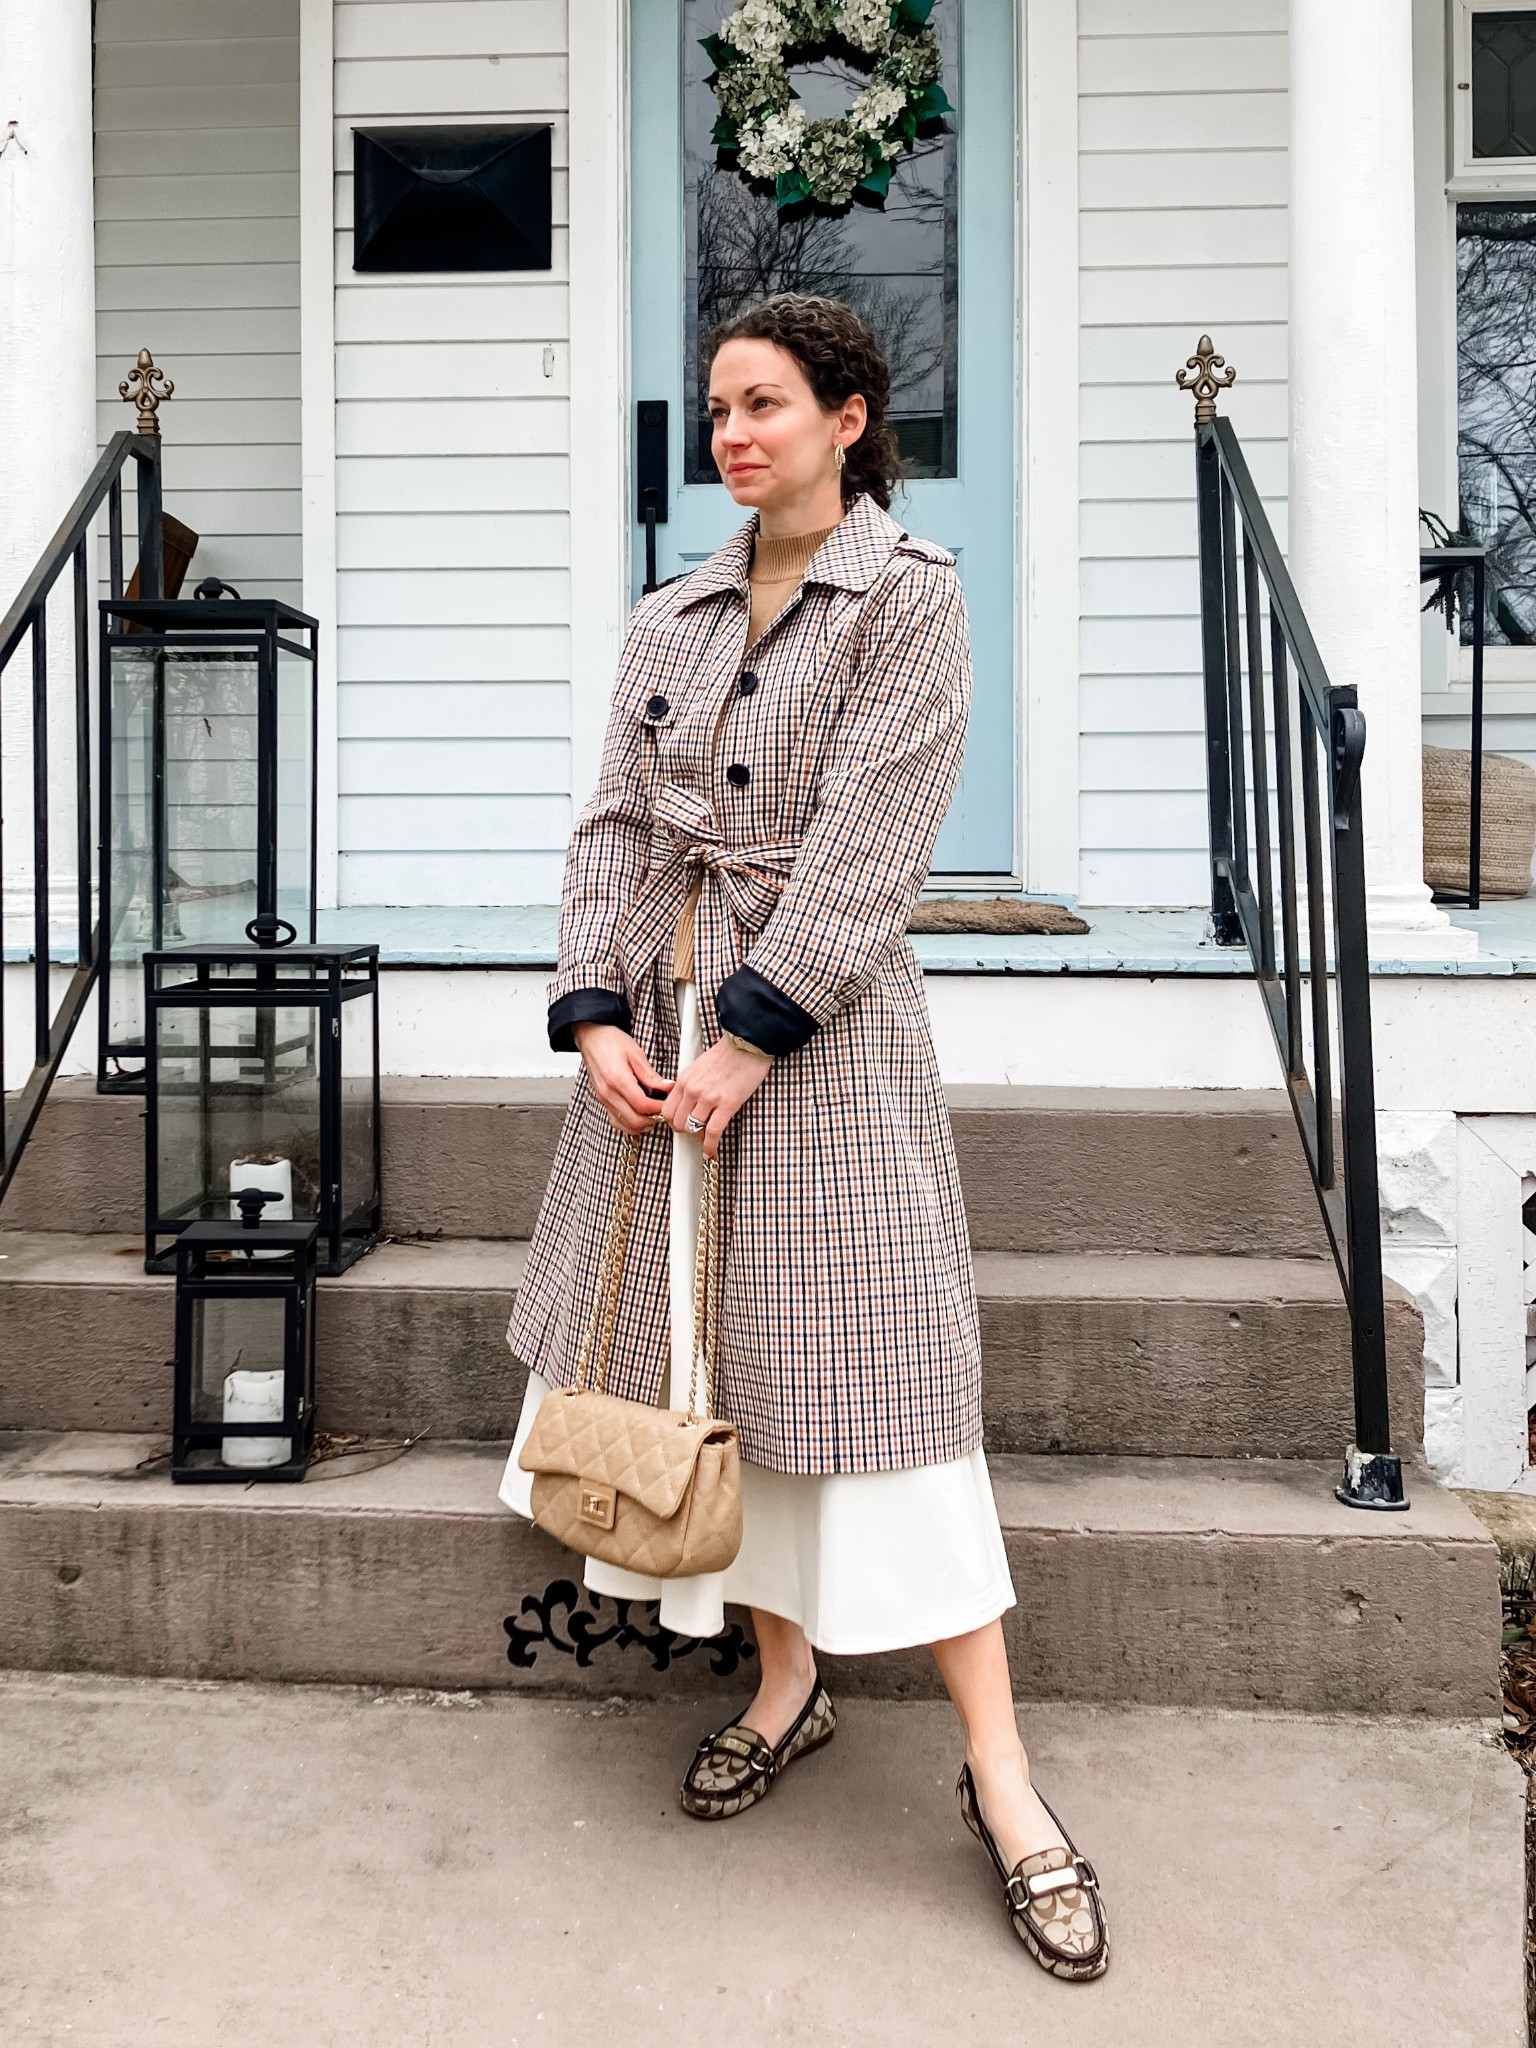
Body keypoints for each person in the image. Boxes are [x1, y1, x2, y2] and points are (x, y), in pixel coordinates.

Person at [499, 291, 1108, 1981]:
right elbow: (613, 828)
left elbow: (876, 840)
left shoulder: (911, 603)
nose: (733, 435)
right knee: (724, 1377)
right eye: (716, 409)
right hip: (659, 1039)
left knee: (884, 1395)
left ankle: (1006, 1784)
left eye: (765, 403)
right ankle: (785, 1687)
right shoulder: (672, 613)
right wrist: (600, 1015)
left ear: (850, 416)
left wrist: (754, 1036)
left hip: (817, 1051)